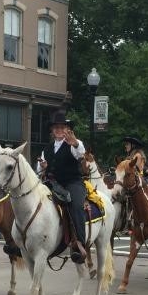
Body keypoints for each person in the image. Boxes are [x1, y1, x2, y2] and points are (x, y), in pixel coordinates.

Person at [39, 112, 88, 263]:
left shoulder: (74, 143)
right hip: (53, 183)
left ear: (67, 130)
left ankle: (79, 243)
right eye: (56, 128)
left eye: (62, 127)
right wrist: (44, 168)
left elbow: (81, 153)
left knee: (76, 205)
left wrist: (74, 143)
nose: (59, 130)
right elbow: (39, 170)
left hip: (72, 182)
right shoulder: (46, 149)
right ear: (52, 131)